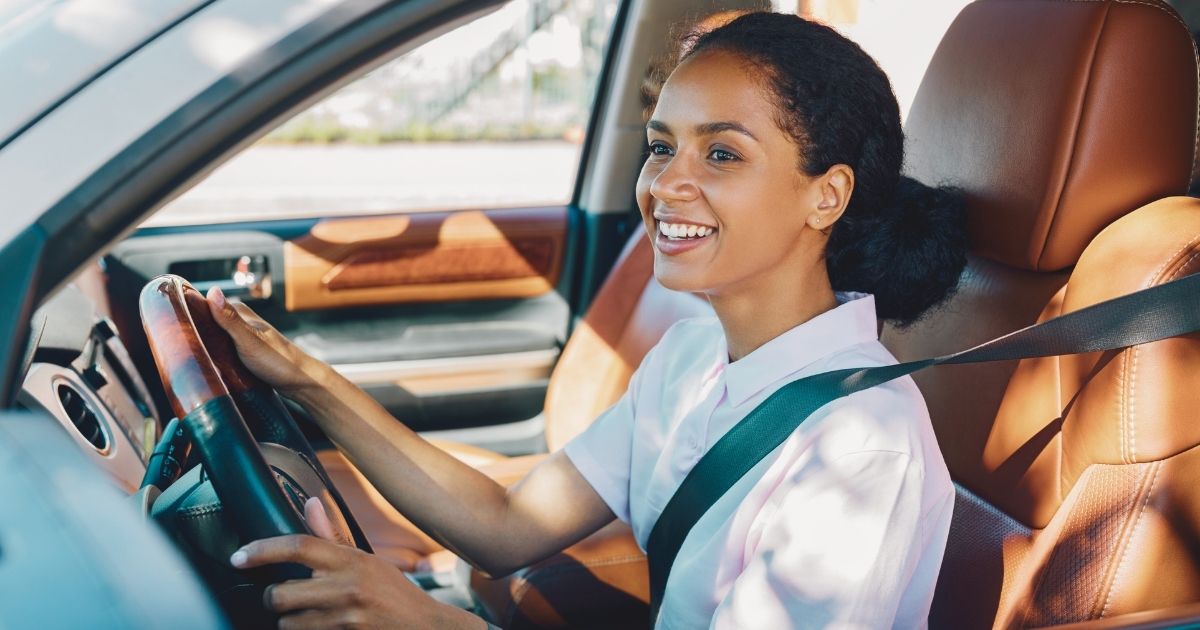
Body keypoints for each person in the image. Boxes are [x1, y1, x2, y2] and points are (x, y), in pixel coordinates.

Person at [211, 11, 968, 629]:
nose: (668, 183)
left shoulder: (863, 444)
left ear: (826, 196)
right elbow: (506, 522)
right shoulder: (691, 356)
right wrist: (304, 380)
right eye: (661, 146)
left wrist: (426, 621)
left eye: (723, 155)